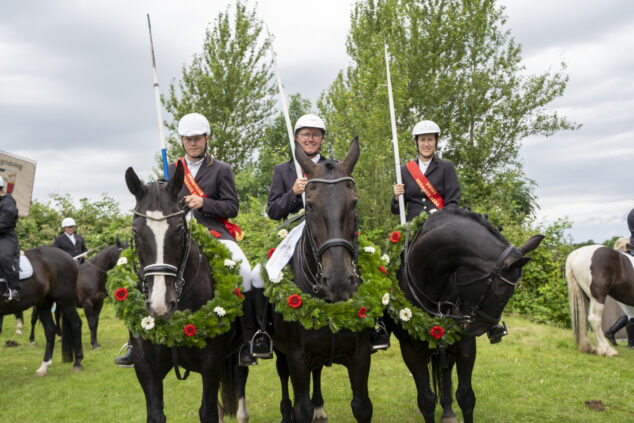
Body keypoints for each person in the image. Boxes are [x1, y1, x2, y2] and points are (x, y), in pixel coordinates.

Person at [114, 113, 272, 368]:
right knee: (139, 271)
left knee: (245, 273)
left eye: (197, 139)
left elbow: (232, 207)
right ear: (182, 141)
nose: (193, 143)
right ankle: (134, 343)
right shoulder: (173, 169)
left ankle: (249, 339)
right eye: (188, 139)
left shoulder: (221, 169)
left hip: (214, 231)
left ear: (206, 139)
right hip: (177, 232)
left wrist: (204, 203)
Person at [267, 113, 327, 220]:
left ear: (322, 139)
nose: (310, 139)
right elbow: (273, 212)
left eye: (316, 135)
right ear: (296, 138)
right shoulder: (282, 170)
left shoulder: (332, 168)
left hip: (327, 231)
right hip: (295, 232)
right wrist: (293, 193)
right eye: (306, 135)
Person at [603, 237, 634, 348]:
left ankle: (610, 332)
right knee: (631, 315)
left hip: (618, 290)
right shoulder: (622, 259)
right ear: (622, 247)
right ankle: (631, 343)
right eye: (628, 246)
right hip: (623, 290)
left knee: (629, 315)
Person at [0, 177, 21, 302]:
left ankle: (14, 288)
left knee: (4, 257)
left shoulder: (8, 202)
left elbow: (3, 224)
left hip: (6, 237)